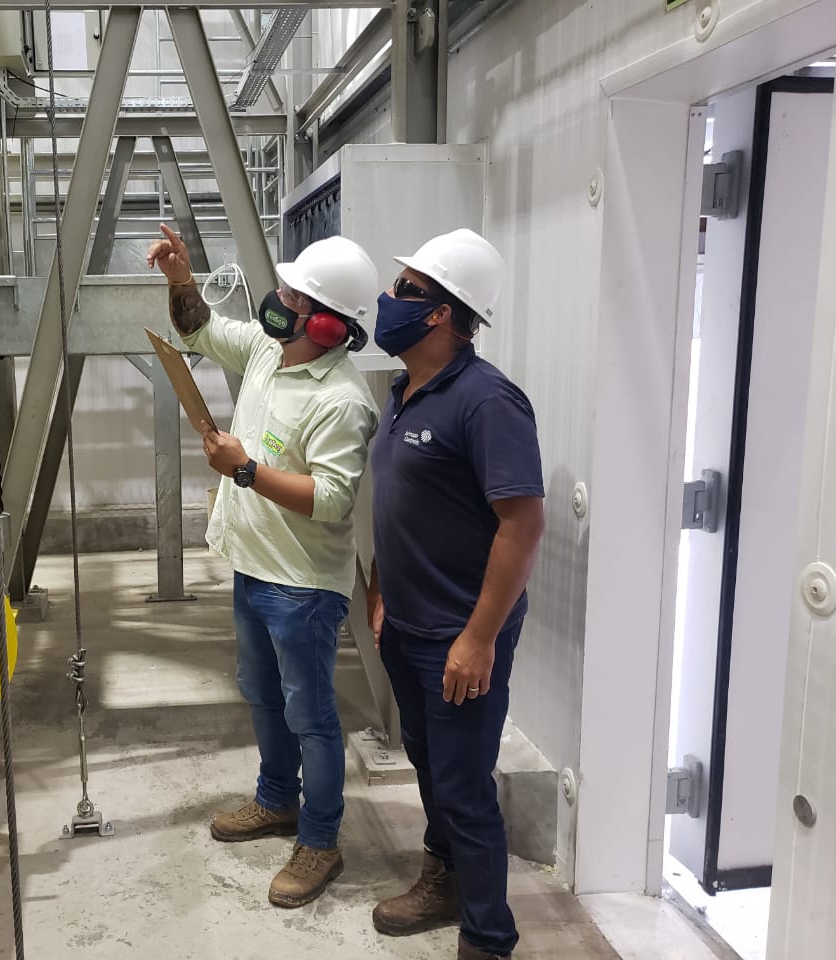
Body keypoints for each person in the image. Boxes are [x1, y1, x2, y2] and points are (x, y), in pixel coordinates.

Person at [146, 224, 380, 908]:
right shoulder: (268, 351)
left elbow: (334, 502)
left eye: (292, 295)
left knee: (312, 716)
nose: (277, 300)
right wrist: (181, 280)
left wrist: (246, 469)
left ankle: (321, 840)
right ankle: (277, 800)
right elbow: (201, 330)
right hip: (253, 568)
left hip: (303, 588)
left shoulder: (342, 401)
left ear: (329, 325)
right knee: (261, 693)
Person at [366, 228, 545, 960]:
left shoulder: (487, 400)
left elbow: (523, 524)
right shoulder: (405, 391)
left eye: (403, 289)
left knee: (466, 790)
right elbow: (396, 504)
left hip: (459, 634)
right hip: (407, 628)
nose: (387, 301)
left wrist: (477, 639)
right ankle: (442, 883)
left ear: (439, 312)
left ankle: (488, 939)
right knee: (429, 764)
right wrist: (380, 593)